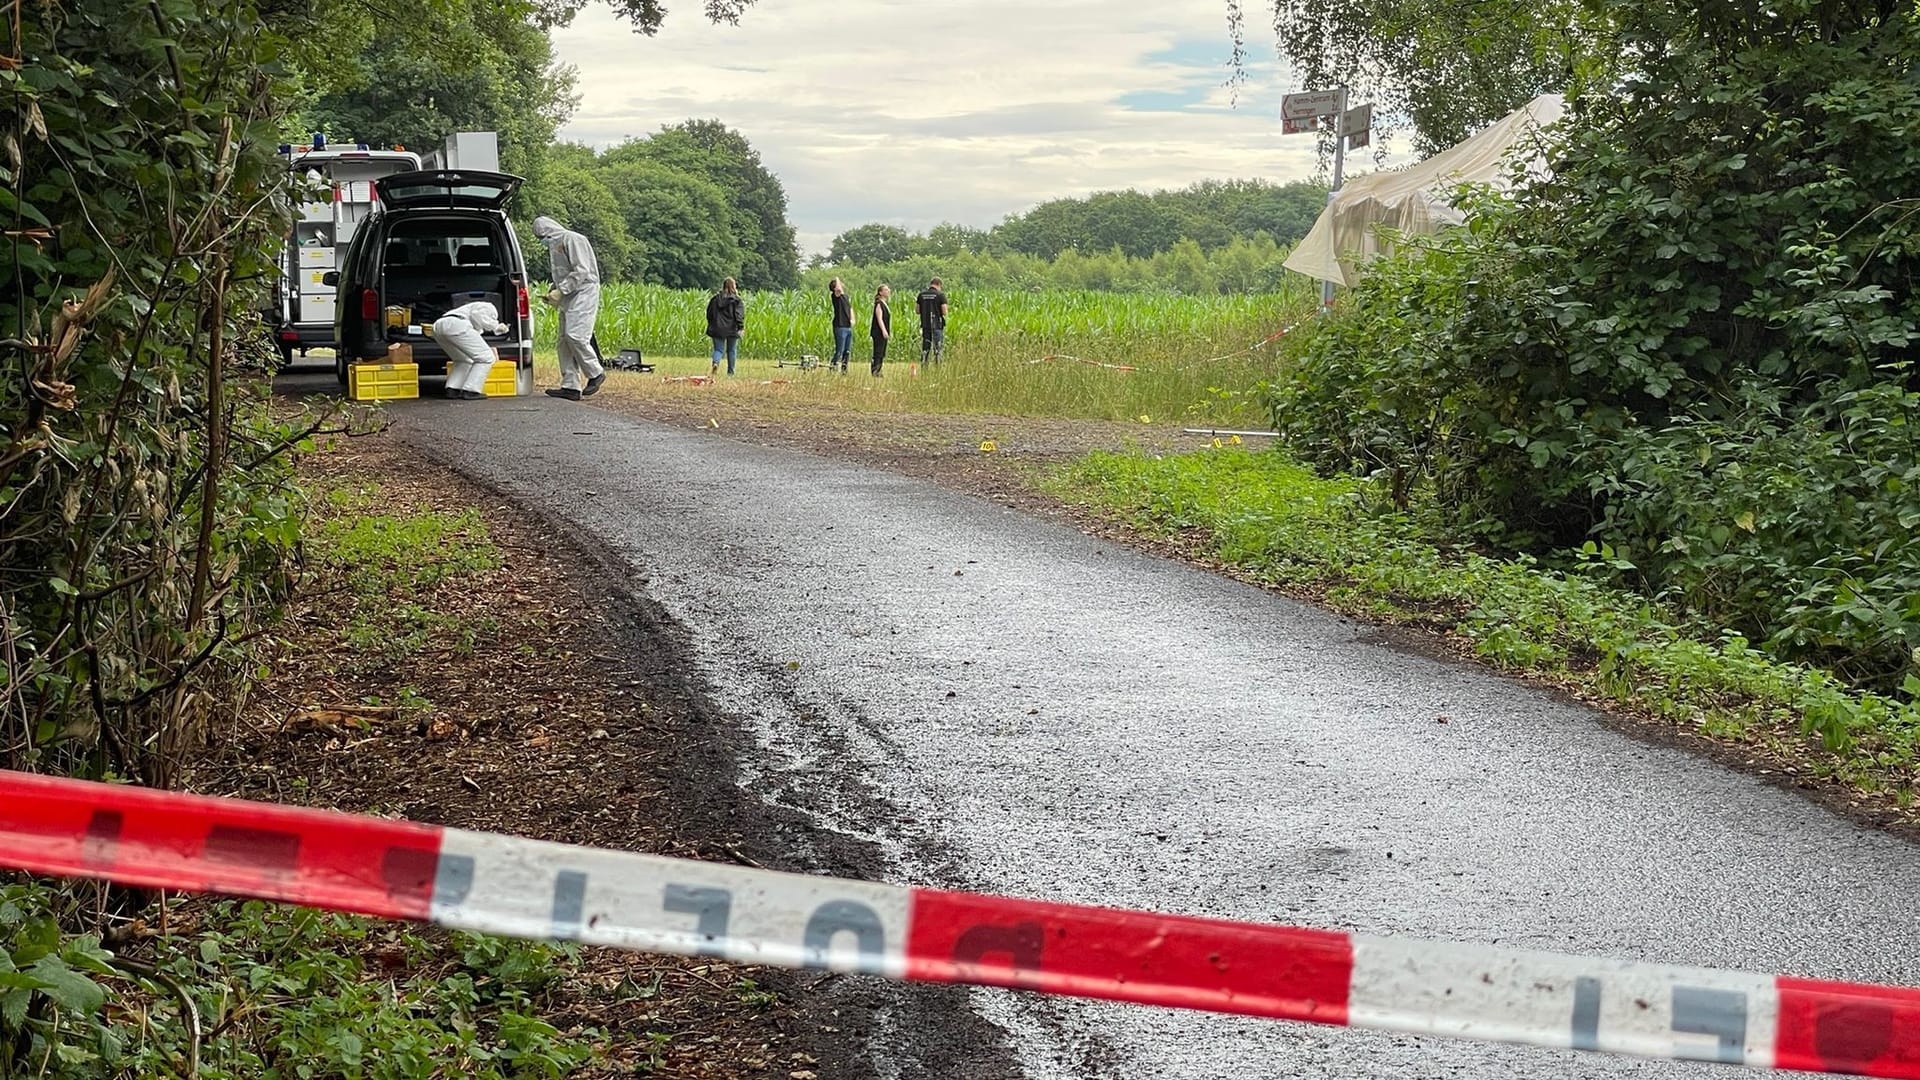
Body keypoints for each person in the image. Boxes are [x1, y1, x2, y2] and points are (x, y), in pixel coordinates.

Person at [531, 216, 606, 401]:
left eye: (542, 236)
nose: (542, 240)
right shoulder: (554, 244)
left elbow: (582, 270)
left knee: (576, 335)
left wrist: (562, 290)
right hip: (569, 294)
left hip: (583, 292)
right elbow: (561, 272)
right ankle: (570, 386)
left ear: (548, 231)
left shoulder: (573, 239)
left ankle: (595, 373)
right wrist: (554, 291)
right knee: (564, 341)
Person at [435, 299, 508, 400]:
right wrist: (496, 326)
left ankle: (453, 389)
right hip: (457, 325)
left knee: (464, 360)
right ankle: (471, 391)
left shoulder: (468, 309)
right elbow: (478, 315)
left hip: (439, 326)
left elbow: (475, 327)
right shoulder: (489, 307)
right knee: (486, 358)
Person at [706, 278, 745, 375]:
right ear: (734, 286)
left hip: (717, 328)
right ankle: (730, 372)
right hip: (732, 328)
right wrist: (740, 327)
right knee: (731, 350)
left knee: (718, 350)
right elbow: (738, 315)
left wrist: (712, 323)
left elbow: (709, 313)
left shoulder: (715, 299)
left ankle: (715, 363)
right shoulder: (736, 300)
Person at [915, 276, 948, 365]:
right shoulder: (940, 295)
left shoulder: (921, 295)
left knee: (925, 347)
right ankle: (937, 366)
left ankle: (924, 366)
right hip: (937, 325)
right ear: (939, 284)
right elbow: (944, 311)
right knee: (937, 347)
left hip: (925, 325)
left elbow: (917, 311)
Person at [828, 278, 854, 372]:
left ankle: (844, 369)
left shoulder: (845, 297)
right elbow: (838, 289)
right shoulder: (836, 296)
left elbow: (850, 308)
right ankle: (833, 366)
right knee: (840, 350)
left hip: (847, 326)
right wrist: (837, 278)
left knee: (847, 350)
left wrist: (852, 319)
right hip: (840, 326)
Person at [870, 284, 892, 377]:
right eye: (886, 290)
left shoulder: (885, 303)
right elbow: (879, 318)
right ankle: (875, 370)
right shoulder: (879, 304)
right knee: (878, 351)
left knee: (882, 351)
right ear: (880, 292)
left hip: (883, 331)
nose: (888, 291)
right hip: (878, 332)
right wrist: (883, 330)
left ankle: (879, 369)